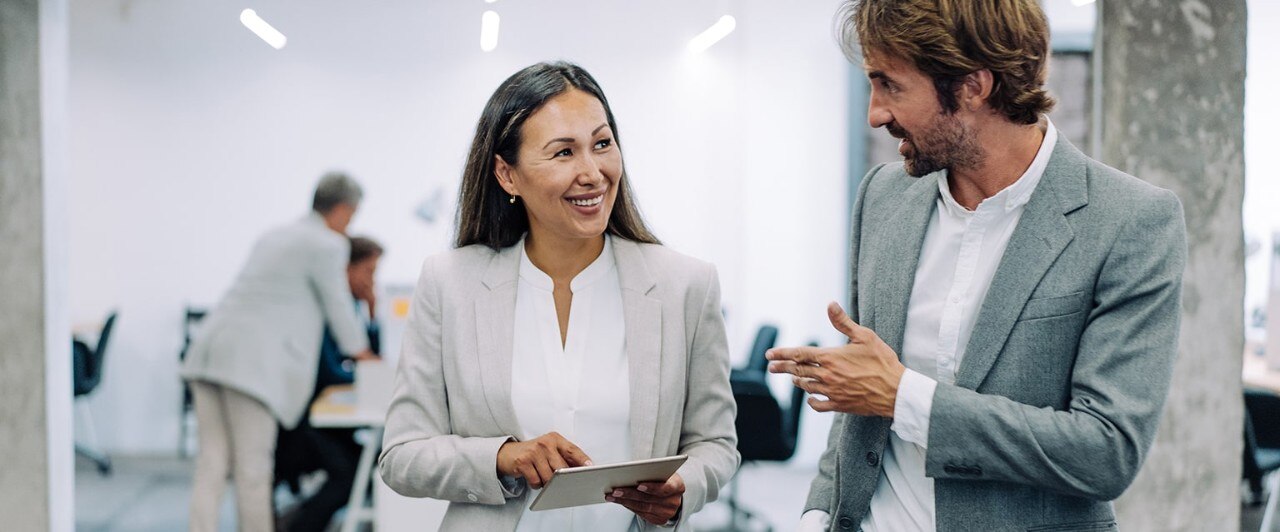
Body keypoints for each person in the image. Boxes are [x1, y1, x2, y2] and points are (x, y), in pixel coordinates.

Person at [767, 1, 1188, 531]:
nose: (875, 112)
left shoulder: (1129, 222)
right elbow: (861, 394)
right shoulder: (882, 197)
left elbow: (1106, 452)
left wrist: (904, 397)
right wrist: (818, 514)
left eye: (890, 85)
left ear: (973, 85)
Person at [378, 61, 739, 531]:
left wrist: (682, 490)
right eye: (564, 152)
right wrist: (504, 457)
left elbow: (715, 443)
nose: (592, 172)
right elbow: (402, 455)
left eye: (602, 144)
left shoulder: (685, 285)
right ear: (508, 175)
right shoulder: (450, 283)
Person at [180, 172, 376, 532]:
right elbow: (338, 308)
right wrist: (364, 355)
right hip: (251, 366)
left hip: (208, 352)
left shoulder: (274, 235)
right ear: (343, 209)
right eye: (352, 216)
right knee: (253, 470)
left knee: (211, 465)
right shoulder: (327, 244)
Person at [275, 236, 384, 532]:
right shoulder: (325, 312)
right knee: (350, 474)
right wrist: (370, 373)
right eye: (368, 271)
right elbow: (331, 372)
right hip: (304, 423)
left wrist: (373, 314)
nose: (371, 281)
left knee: (376, 459)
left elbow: (368, 358)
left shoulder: (350, 310)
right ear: (346, 269)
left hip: (325, 422)